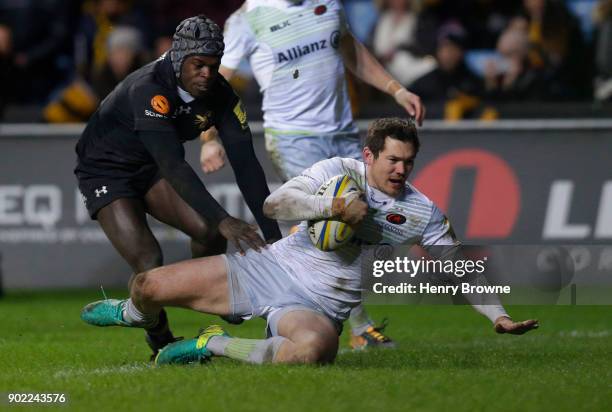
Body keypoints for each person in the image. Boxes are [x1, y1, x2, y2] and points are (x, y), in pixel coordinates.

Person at [81, 117, 539, 366]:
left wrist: (498, 317)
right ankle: (130, 314)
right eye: (393, 160)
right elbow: (275, 205)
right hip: (268, 269)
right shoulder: (338, 172)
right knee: (147, 285)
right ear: (368, 155)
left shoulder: (422, 211)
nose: (401, 170)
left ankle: (210, 345)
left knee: (313, 353)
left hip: (317, 307)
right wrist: (333, 209)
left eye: (409, 163)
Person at [200, 0, 426, 349]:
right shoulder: (249, 17)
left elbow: (350, 50)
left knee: (361, 225)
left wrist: (397, 89)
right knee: (337, 226)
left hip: (343, 134)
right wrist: (209, 136)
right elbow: (214, 82)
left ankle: (292, 309)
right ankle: (354, 326)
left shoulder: (329, 4)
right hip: (293, 139)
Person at [74, 15, 282, 358]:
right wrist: (224, 218)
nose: (207, 74)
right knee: (148, 257)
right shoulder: (149, 88)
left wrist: (273, 237)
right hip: (106, 171)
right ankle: (160, 340)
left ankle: (209, 301)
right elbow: (173, 166)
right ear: (178, 58)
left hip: (149, 165)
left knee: (208, 231)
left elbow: (247, 166)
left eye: (214, 66)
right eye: (198, 64)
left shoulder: (221, 95)